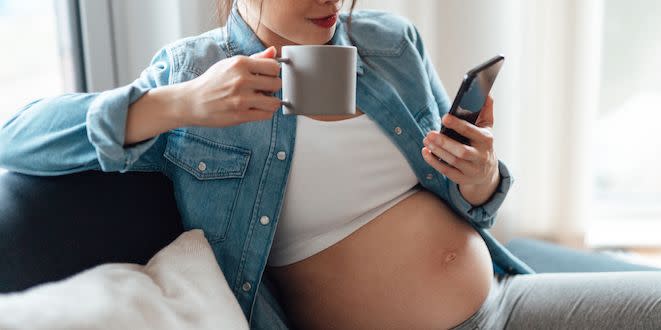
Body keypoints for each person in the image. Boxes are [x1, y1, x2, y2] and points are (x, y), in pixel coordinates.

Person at [0, 0, 659, 329]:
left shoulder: (389, 44)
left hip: (501, 304)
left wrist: (481, 179)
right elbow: (15, 138)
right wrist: (174, 105)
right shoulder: (194, 76)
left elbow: (468, 200)